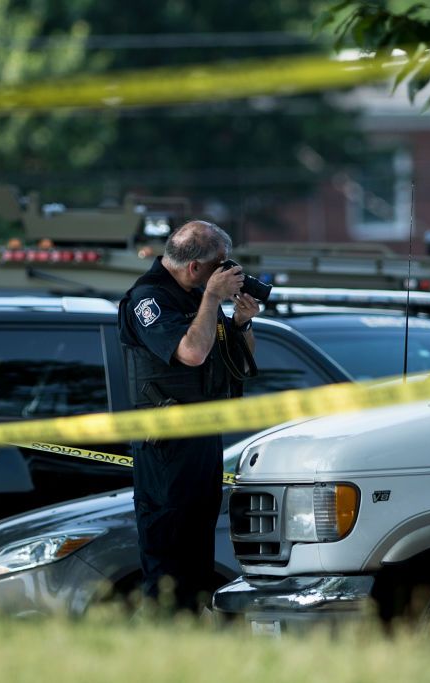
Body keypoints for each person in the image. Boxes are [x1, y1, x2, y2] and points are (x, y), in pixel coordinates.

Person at [118, 220, 260, 612]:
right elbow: (191, 354)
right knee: (169, 562)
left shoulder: (196, 298)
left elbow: (240, 366)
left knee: (197, 561)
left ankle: (190, 641)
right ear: (195, 267)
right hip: (165, 451)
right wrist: (212, 299)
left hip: (201, 442)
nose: (225, 272)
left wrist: (242, 324)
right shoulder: (148, 300)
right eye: (219, 265)